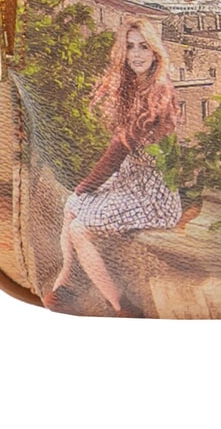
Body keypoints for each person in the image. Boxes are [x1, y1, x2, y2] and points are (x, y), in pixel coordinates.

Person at [44, 16, 182, 315]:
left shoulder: (159, 90)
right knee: (71, 208)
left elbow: (118, 151)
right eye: (130, 47)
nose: (137, 54)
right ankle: (66, 281)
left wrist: (86, 186)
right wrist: (82, 192)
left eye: (144, 46)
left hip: (152, 193)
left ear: (155, 51)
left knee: (80, 228)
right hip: (131, 179)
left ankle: (120, 305)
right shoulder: (131, 87)